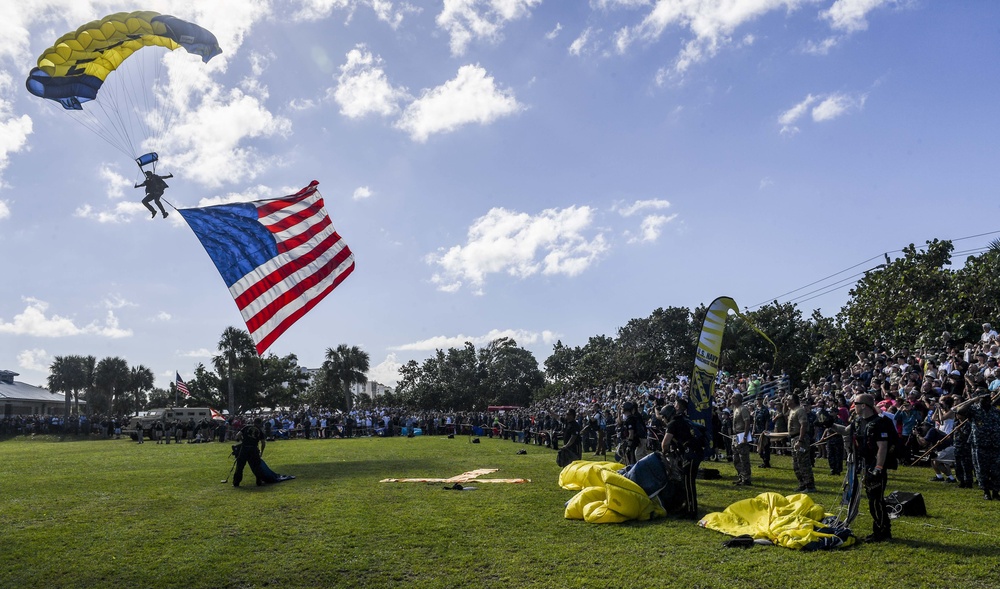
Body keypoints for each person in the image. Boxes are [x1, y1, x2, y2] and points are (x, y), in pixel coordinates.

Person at [853, 393, 893, 542]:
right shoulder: (859, 422)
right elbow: (846, 431)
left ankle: (882, 531)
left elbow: (882, 447)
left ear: (863, 405)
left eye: (856, 403)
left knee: (876, 500)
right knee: (873, 499)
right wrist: (830, 424)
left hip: (875, 465)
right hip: (866, 463)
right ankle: (881, 529)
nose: (854, 407)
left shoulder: (878, 423)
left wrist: (878, 467)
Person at [660, 397, 703, 520]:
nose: (663, 419)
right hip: (693, 452)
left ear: (668, 415)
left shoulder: (673, 423)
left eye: (663, 417)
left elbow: (665, 443)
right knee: (686, 482)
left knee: (688, 483)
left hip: (691, 454)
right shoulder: (681, 420)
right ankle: (687, 507)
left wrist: (664, 453)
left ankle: (692, 511)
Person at [788, 394, 815, 493]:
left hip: (800, 439)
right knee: (796, 464)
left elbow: (803, 425)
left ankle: (810, 485)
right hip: (793, 438)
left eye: (789, 399)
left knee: (803, 462)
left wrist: (800, 440)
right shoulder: (792, 410)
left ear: (794, 401)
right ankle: (802, 484)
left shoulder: (800, 410)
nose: (787, 400)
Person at [233, 417, 267, 488]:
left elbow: (238, 435)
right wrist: (261, 452)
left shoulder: (246, 427)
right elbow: (263, 443)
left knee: (240, 466)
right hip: (253, 449)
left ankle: (236, 482)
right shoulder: (259, 431)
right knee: (257, 466)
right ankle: (259, 481)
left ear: (253, 421)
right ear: (260, 423)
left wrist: (243, 440)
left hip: (244, 448)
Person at [730, 393, 752, 486]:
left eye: (733, 397)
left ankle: (746, 478)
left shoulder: (743, 409)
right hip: (736, 435)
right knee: (736, 458)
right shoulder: (735, 409)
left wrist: (745, 437)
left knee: (743, 458)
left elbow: (747, 422)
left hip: (742, 434)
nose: (731, 398)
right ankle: (741, 476)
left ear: (738, 399)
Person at [752, 395, 772, 468]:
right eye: (757, 399)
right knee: (759, 446)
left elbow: (767, 420)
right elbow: (754, 420)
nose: (758, 401)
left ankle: (766, 462)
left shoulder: (765, 409)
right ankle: (763, 459)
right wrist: (753, 429)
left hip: (764, 430)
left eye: (760, 399)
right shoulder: (756, 409)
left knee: (766, 446)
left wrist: (766, 430)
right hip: (758, 430)